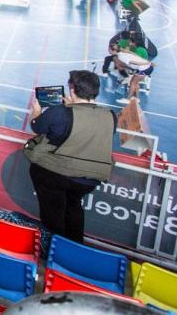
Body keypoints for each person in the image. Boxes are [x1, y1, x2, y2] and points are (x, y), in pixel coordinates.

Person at [25, 70, 115, 242]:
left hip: (56, 173)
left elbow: (37, 127)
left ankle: (53, 247)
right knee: (73, 207)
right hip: (89, 178)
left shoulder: (59, 113)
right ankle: (74, 247)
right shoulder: (110, 116)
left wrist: (36, 111)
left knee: (53, 213)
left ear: (72, 90)